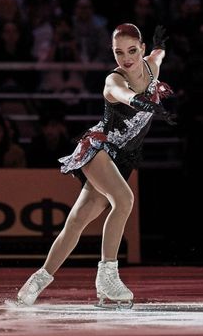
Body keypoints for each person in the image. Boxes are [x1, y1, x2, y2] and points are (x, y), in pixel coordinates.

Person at [16, 23, 175, 308]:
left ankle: (37, 281)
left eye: (131, 50)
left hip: (123, 159)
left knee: (76, 221)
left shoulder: (152, 65)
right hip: (101, 149)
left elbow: (159, 54)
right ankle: (107, 276)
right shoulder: (113, 80)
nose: (126, 58)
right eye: (118, 52)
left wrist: (160, 45)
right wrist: (138, 100)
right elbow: (122, 93)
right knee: (124, 200)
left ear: (141, 48)